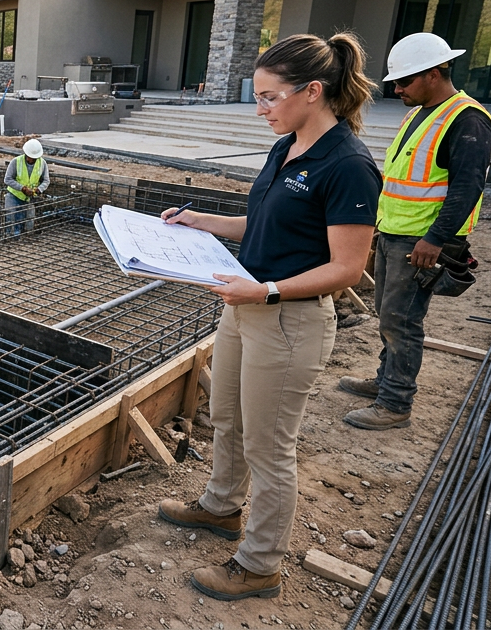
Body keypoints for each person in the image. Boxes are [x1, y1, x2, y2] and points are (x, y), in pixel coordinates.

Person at [156, 33, 382, 602]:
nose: (260, 110)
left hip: (288, 320)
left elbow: (349, 268)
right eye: (255, 97)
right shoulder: (287, 147)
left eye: (268, 97)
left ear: (311, 92)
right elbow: (261, 225)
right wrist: (198, 219)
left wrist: (269, 291)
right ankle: (220, 507)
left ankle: (259, 565)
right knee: (227, 419)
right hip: (247, 310)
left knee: (270, 445)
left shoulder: (348, 165)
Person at [339, 32, 491, 430]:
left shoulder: (467, 119)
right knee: (387, 313)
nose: (397, 88)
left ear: (433, 74)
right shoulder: (420, 112)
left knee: (402, 319)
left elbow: (467, 187)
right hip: (396, 233)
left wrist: (436, 239)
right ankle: (384, 381)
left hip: (422, 241)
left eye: (405, 81)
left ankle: (395, 403)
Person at [4, 139, 49, 235]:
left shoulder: (42, 163)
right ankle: (10, 239)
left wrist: (39, 189)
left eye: (34, 158)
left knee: (28, 223)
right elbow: (7, 179)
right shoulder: (16, 162)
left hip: (29, 198)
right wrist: (22, 188)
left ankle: (24, 240)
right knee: (11, 221)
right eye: (30, 157)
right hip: (14, 196)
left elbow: (46, 180)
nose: (32, 160)